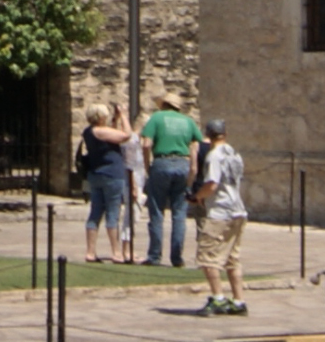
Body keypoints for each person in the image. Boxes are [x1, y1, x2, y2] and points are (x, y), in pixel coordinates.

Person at [189, 115, 249, 317]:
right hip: (238, 210)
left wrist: (198, 196)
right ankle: (239, 300)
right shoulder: (235, 154)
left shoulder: (214, 155)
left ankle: (218, 298)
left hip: (221, 212)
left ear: (208, 135)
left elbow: (212, 184)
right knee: (232, 258)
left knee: (207, 256)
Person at [138, 93, 201, 266]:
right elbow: (197, 144)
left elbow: (146, 144)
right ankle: (177, 257)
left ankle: (155, 255)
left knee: (157, 211)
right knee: (179, 213)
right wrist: (193, 171)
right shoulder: (188, 121)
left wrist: (147, 165)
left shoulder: (157, 118)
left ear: (164, 104)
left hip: (162, 162)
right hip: (183, 163)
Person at [76, 104, 136, 262]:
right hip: (111, 175)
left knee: (95, 212)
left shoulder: (89, 132)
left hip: (95, 174)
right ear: (101, 117)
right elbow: (126, 135)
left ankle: (90, 251)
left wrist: (115, 119)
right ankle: (116, 252)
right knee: (112, 213)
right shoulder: (100, 131)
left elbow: (112, 135)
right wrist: (124, 115)